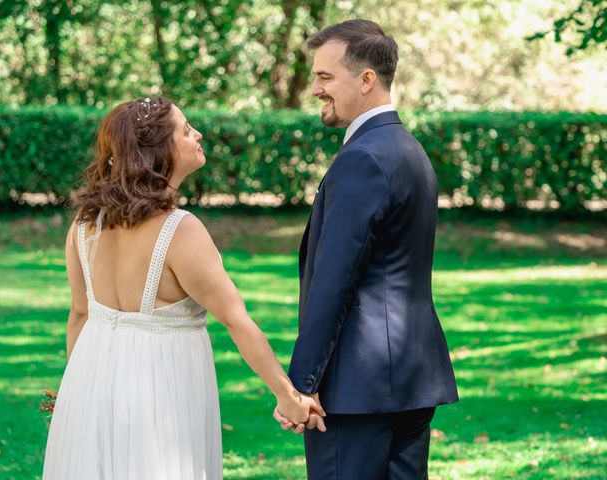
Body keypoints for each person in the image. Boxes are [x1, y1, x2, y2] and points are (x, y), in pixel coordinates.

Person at [42, 97, 323, 479]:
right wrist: (288, 397)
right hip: (160, 388)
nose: (198, 134)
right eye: (187, 129)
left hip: (91, 378)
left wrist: (78, 388)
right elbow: (236, 321)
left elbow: (79, 313)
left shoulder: (85, 225)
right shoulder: (181, 230)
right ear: (160, 152)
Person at [274, 19, 459, 479]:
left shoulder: (362, 158)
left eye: (325, 77)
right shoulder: (410, 151)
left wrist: (301, 385)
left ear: (366, 79)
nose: (316, 89)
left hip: (357, 387)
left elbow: (334, 280)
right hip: (410, 379)